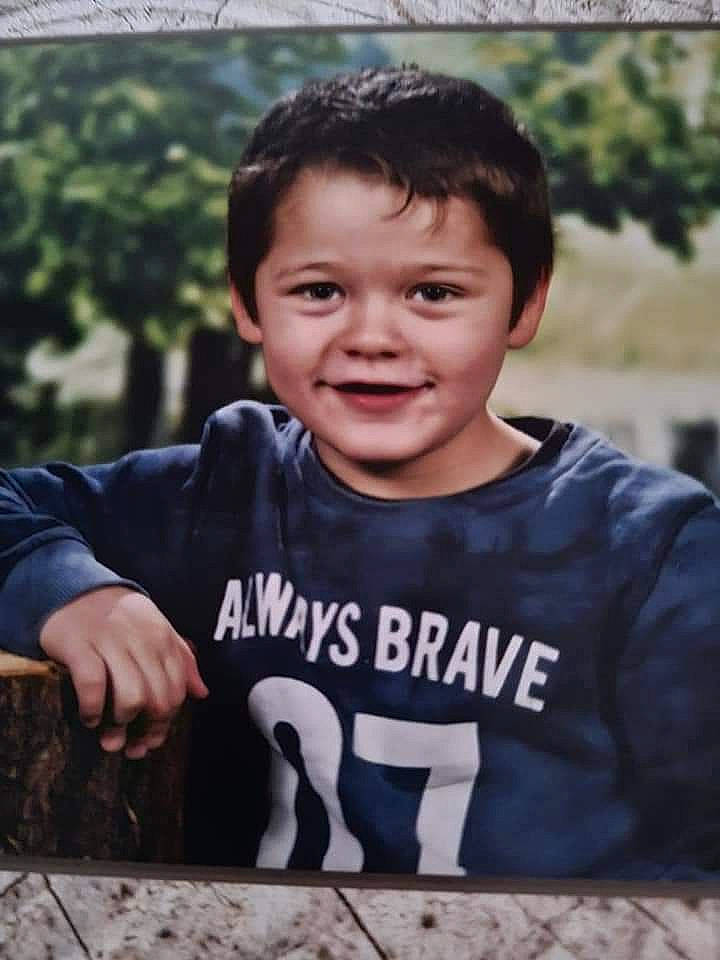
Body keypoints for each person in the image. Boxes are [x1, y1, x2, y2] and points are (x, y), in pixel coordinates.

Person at [1, 66, 719, 880]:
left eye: (435, 292)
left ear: (525, 304)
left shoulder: (654, 551)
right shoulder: (225, 491)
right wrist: (65, 585)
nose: (372, 336)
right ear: (247, 303)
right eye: (319, 290)